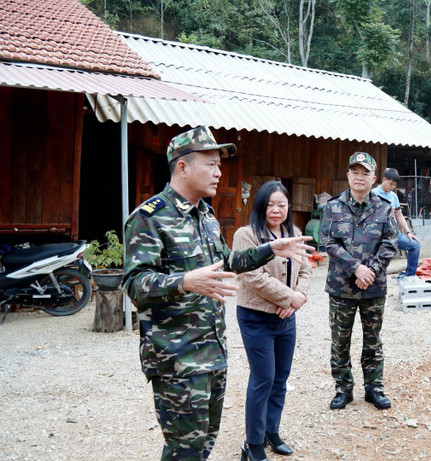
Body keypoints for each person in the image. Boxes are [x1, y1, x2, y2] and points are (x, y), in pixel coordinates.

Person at [123, 126, 312, 461]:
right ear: (182, 167)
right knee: (185, 450)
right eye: (210, 163)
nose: (218, 171)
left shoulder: (205, 215)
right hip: (177, 359)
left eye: (219, 164)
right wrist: (184, 281)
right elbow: (135, 284)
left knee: (203, 444)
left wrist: (270, 248)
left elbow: (228, 261)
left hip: (212, 352)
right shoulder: (149, 218)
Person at [232, 181, 312, 461]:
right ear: (260, 205)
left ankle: (271, 431)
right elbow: (251, 276)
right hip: (256, 317)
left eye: (282, 204)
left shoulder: (295, 233)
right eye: (270, 204)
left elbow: (307, 269)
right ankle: (253, 443)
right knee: (262, 378)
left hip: (286, 317)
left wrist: (299, 296)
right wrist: (289, 298)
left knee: (280, 378)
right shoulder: (247, 235)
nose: (276, 210)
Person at [319, 152, 398, 411]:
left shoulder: (384, 207)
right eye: (355, 172)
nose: (360, 177)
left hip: (373, 287)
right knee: (340, 341)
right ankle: (343, 389)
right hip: (341, 287)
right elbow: (327, 242)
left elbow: (390, 243)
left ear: (374, 178)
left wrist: (370, 271)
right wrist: (356, 268)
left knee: (372, 340)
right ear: (348, 175)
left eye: (365, 173)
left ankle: (374, 388)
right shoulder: (333, 206)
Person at [373, 168, 421, 279]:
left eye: (394, 185)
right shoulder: (372, 194)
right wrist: (387, 211)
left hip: (392, 234)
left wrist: (408, 232)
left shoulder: (393, 196)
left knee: (415, 245)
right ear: (384, 179)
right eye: (390, 183)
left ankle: (410, 277)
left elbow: (399, 214)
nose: (392, 186)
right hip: (376, 236)